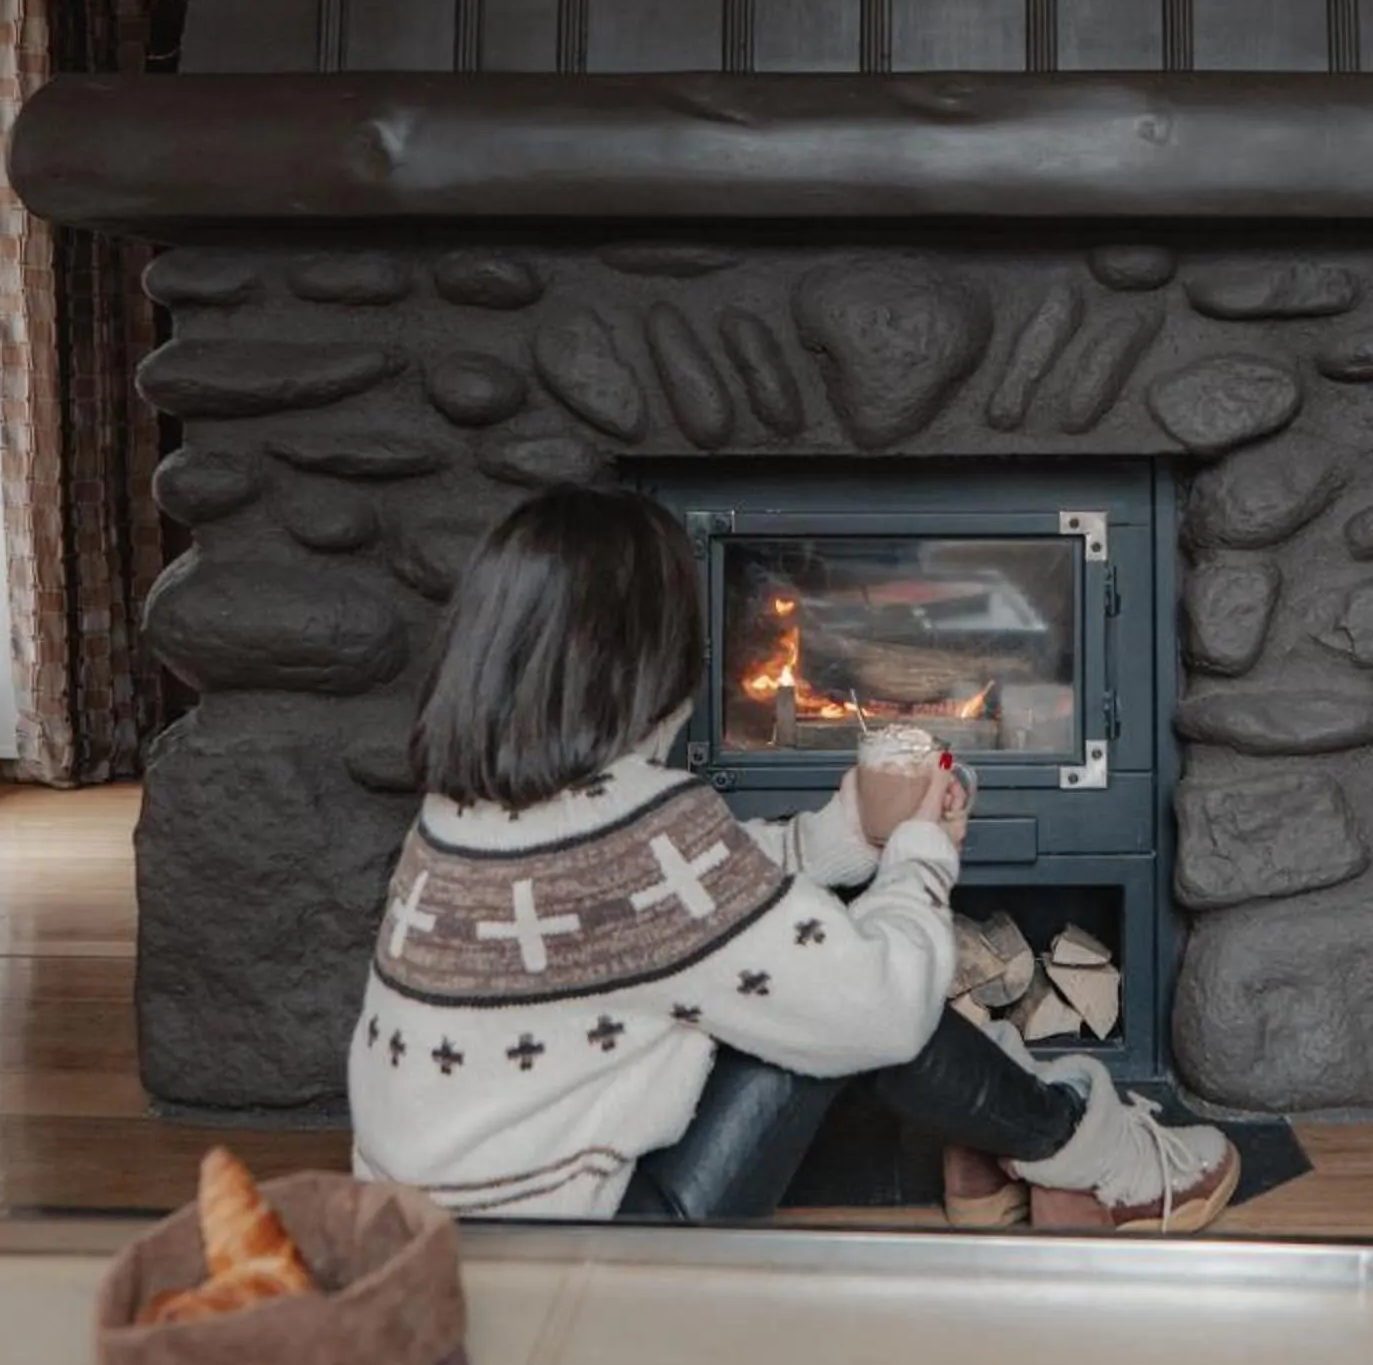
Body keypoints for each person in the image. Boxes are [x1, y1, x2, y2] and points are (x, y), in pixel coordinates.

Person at [349, 484, 1240, 1232]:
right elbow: (882, 1012)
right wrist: (922, 849)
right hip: (589, 1249)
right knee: (846, 982)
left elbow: (677, 898)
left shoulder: (462, 815)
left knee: (800, 965)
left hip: (424, 1236)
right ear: (639, 656)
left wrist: (843, 834)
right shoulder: (645, 833)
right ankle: (1084, 1151)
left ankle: (1005, 1148)